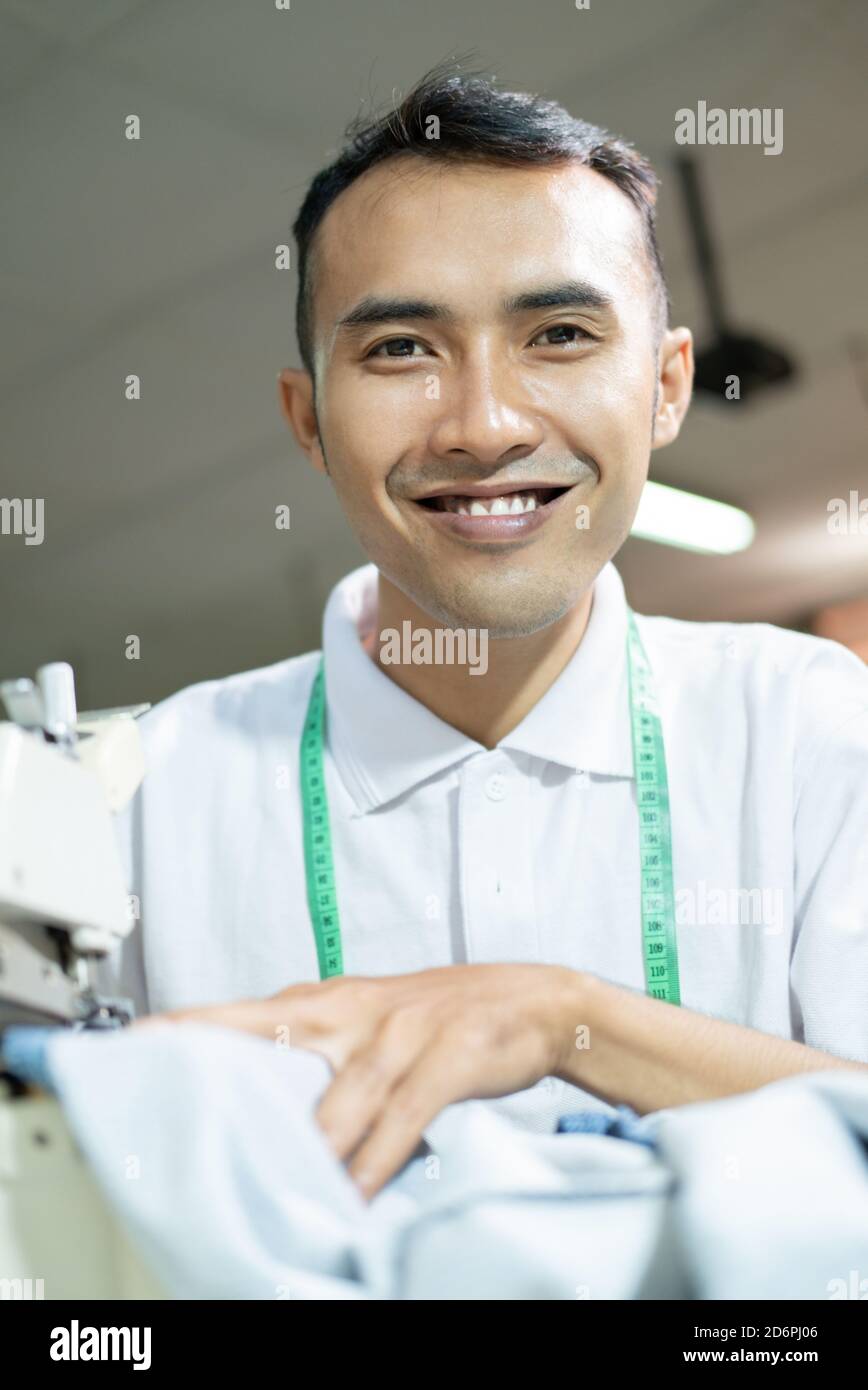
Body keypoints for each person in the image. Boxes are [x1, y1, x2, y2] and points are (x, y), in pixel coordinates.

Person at [109, 62, 868, 1201]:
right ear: (308, 421)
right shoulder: (140, 796)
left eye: (558, 333)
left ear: (665, 388)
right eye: (401, 349)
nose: (483, 425)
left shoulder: (811, 729)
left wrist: (565, 1021)